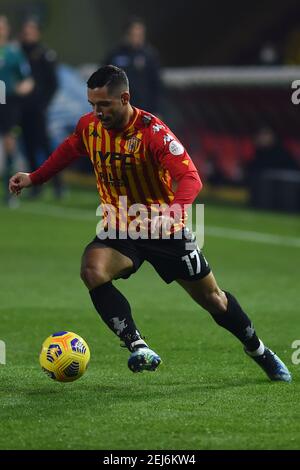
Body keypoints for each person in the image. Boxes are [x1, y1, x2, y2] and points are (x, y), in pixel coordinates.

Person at [9, 65, 291, 381]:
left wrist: (174, 212)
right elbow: (71, 148)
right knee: (93, 270)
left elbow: (190, 178)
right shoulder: (90, 127)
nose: (97, 112)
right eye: (92, 105)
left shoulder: (153, 133)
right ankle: (138, 345)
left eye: (104, 105)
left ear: (125, 98)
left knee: (213, 299)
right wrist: (35, 177)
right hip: (119, 227)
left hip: (163, 229)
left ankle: (260, 351)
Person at [20, 18, 63, 199]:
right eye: (25, 31)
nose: (28, 34)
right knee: (28, 147)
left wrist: (44, 103)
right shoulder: (17, 53)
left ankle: (58, 184)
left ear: (37, 33)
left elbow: (53, 83)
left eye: (31, 31)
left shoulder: (45, 54)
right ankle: (34, 187)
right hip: (22, 109)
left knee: (45, 148)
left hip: (39, 109)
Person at [0, 15, 33, 206]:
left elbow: (27, 79)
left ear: (7, 29)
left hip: (8, 103)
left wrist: (22, 88)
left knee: (9, 144)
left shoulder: (13, 53)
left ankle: (10, 190)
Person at [105, 18, 161, 114]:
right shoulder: (114, 55)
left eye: (141, 35)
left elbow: (157, 85)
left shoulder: (149, 55)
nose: (138, 38)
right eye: (135, 35)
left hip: (144, 110)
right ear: (126, 35)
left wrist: (157, 111)